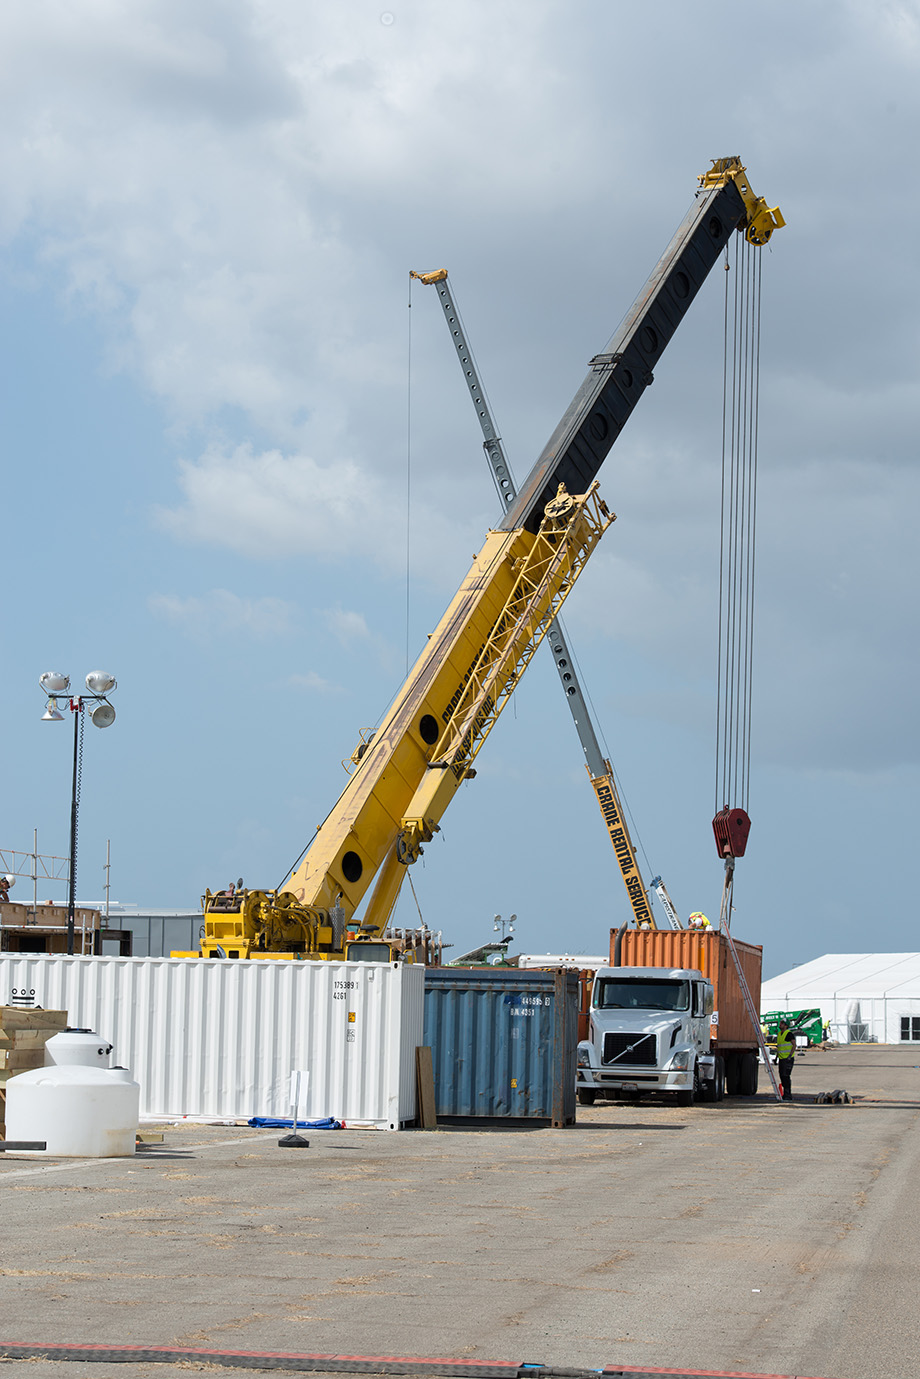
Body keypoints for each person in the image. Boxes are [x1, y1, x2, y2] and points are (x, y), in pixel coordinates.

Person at [776, 1020, 796, 1100]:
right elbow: (779, 1047)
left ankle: (788, 1094)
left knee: (785, 1076)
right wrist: (776, 1057)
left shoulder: (789, 1034)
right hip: (781, 1059)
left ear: (786, 1026)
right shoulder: (779, 1034)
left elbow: (794, 1045)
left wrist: (790, 1056)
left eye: (782, 1024)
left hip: (787, 1059)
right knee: (782, 1076)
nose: (780, 1025)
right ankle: (785, 1094)